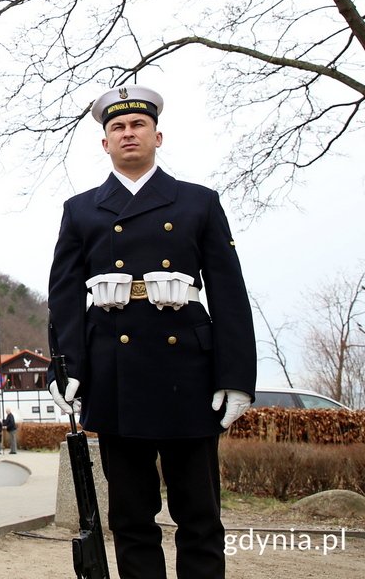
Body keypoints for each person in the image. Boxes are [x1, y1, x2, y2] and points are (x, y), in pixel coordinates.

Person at [47, 85, 256, 579]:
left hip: (189, 372)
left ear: (158, 136)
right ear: (105, 144)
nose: (128, 133)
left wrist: (236, 376)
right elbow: (64, 296)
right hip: (116, 374)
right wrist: (67, 368)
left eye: (137, 125)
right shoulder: (81, 210)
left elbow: (228, 293)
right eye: (116, 128)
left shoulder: (198, 203)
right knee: (131, 517)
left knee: (199, 516)